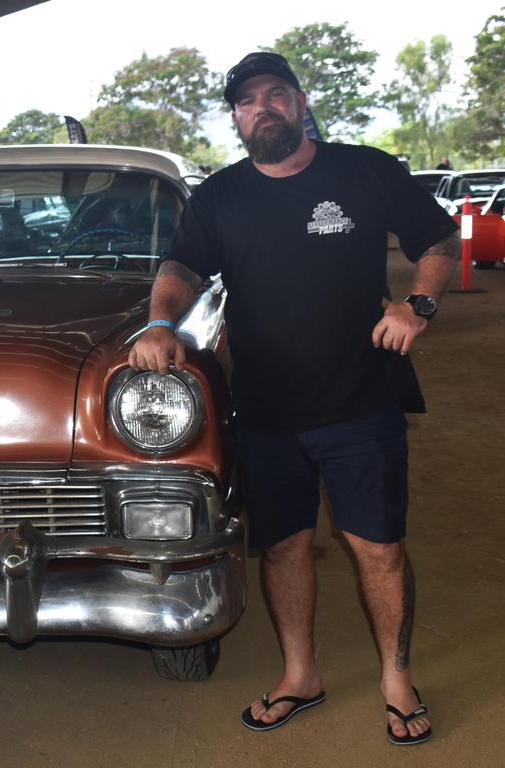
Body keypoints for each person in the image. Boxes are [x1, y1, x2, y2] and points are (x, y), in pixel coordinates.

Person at [129, 52, 459, 746]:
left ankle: (396, 679)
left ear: (301, 103)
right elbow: (182, 266)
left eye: (275, 94)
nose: (263, 109)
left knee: (378, 551)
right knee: (284, 550)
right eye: (248, 102)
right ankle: (299, 674)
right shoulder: (220, 197)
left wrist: (417, 304)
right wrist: (161, 323)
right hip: (269, 414)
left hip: (361, 404)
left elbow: (438, 238)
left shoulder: (364, 171)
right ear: (237, 119)